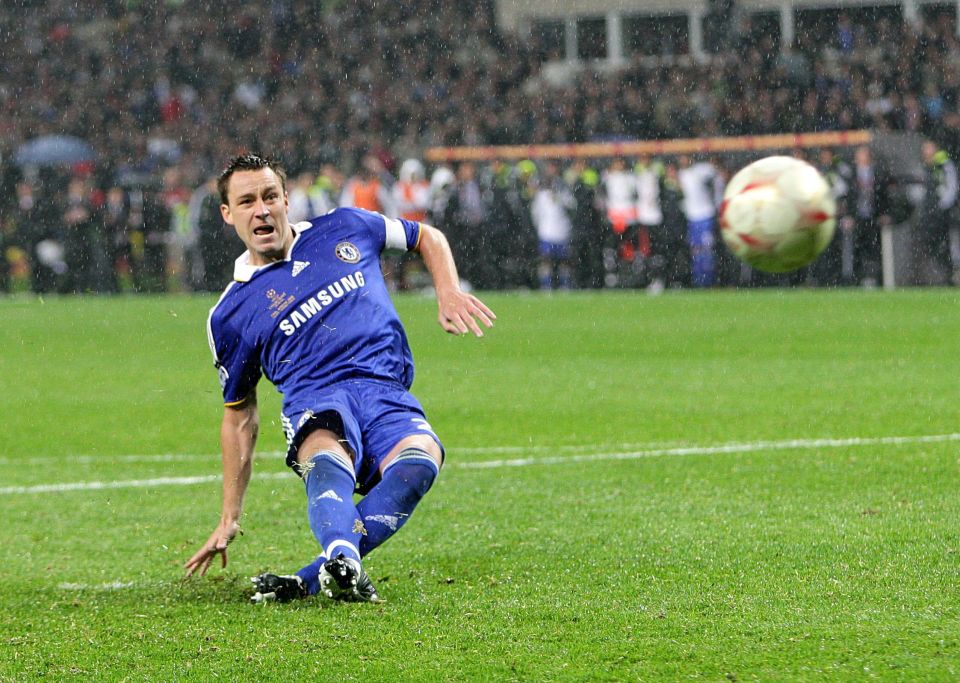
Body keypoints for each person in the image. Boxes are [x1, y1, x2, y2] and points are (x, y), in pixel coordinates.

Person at [184, 154, 495, 604]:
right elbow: (239, 417)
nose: (262, 210)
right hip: (317, 399)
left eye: (270, 196)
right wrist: (229, 514)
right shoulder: (230, 314)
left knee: (422, 460)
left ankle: (319, 574)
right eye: (247, 201)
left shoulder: (346, 227)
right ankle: (342, 563)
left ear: (287, 199)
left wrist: (447, 290)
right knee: (327, 456)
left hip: (384, 387)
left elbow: (426, 235)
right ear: (228, 214)